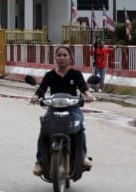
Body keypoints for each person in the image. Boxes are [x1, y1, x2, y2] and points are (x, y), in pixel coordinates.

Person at [30, 45, 94, 175]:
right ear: (55, 57)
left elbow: (82, 86)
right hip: (53, 108)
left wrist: (88, 95)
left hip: (72, 108)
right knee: (44, 130)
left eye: (65, 55)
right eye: (59, 55)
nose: (62, 58)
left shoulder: (75, 74)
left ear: (70, 58)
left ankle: (82, 157)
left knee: (80, 127)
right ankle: (40, 161)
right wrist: (36, 96)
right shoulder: (49, 75)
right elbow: (42, 89)